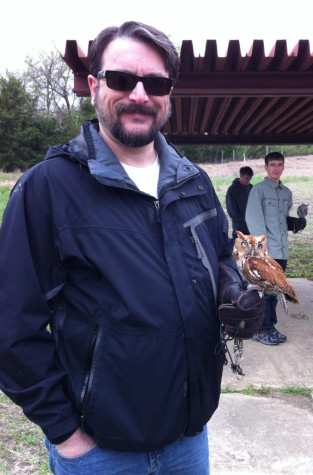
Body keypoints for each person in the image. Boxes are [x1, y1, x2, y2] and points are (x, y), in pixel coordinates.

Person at [0, 21, 264, 474]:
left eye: (156, 83)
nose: (140, 94)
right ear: (92, 85)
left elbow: (220, 253)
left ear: (169, 94)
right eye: (123, 79)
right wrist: (66, 434)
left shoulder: (195, 183)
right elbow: (10, 324)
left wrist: (231, 288)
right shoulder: (49, 188)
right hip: (100, 451)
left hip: (189, 438)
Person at [246, 151, 306, 346]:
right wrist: (262, 252)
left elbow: (280, 221)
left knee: (276, 293)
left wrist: (295, 222)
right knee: (265, 293)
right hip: (267, 251)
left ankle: (270, 327)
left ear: (283, 167)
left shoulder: (286, 193)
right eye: (272, 164)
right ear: (265, 167)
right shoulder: (259, 190)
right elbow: (253, 219)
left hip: (282, 251)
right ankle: (260, 330)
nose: (276, 168)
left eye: (280, 164)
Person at [226, 166, 254, 238]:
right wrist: (245, 221)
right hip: (240, 229)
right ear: (241, 175)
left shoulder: (251, 187)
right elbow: (232, 212)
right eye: (247, 178)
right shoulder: (232, 190)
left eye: (250, 178)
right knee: (241, 249)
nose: (248, 180)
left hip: (252, 228)